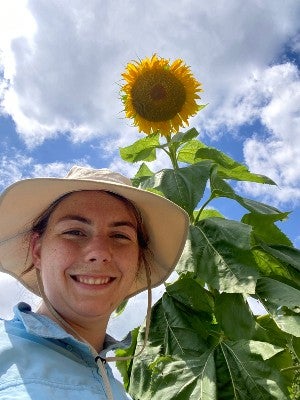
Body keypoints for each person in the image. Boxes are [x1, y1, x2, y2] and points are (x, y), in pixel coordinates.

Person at [0, 166, 189, 400]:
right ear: (37, 250)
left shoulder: (117, 390)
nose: (99, 252)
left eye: (120, 236)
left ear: (139, 259)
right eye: (75, 232)